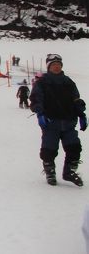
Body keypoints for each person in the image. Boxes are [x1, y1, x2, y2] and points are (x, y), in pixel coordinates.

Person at [30, 53, 86, 186]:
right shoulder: (42, 82)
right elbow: (36, 99)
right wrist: (40, 113)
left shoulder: (68, 82)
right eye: (53, 65)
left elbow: (76, 99)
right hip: (51, 122)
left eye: (58, 65)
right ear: (49, 67)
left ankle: (69, 172)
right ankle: (50, 172)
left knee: (74, 148)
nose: (56, 67)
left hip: (69, 122)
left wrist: (81, 114)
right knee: (49, 149)